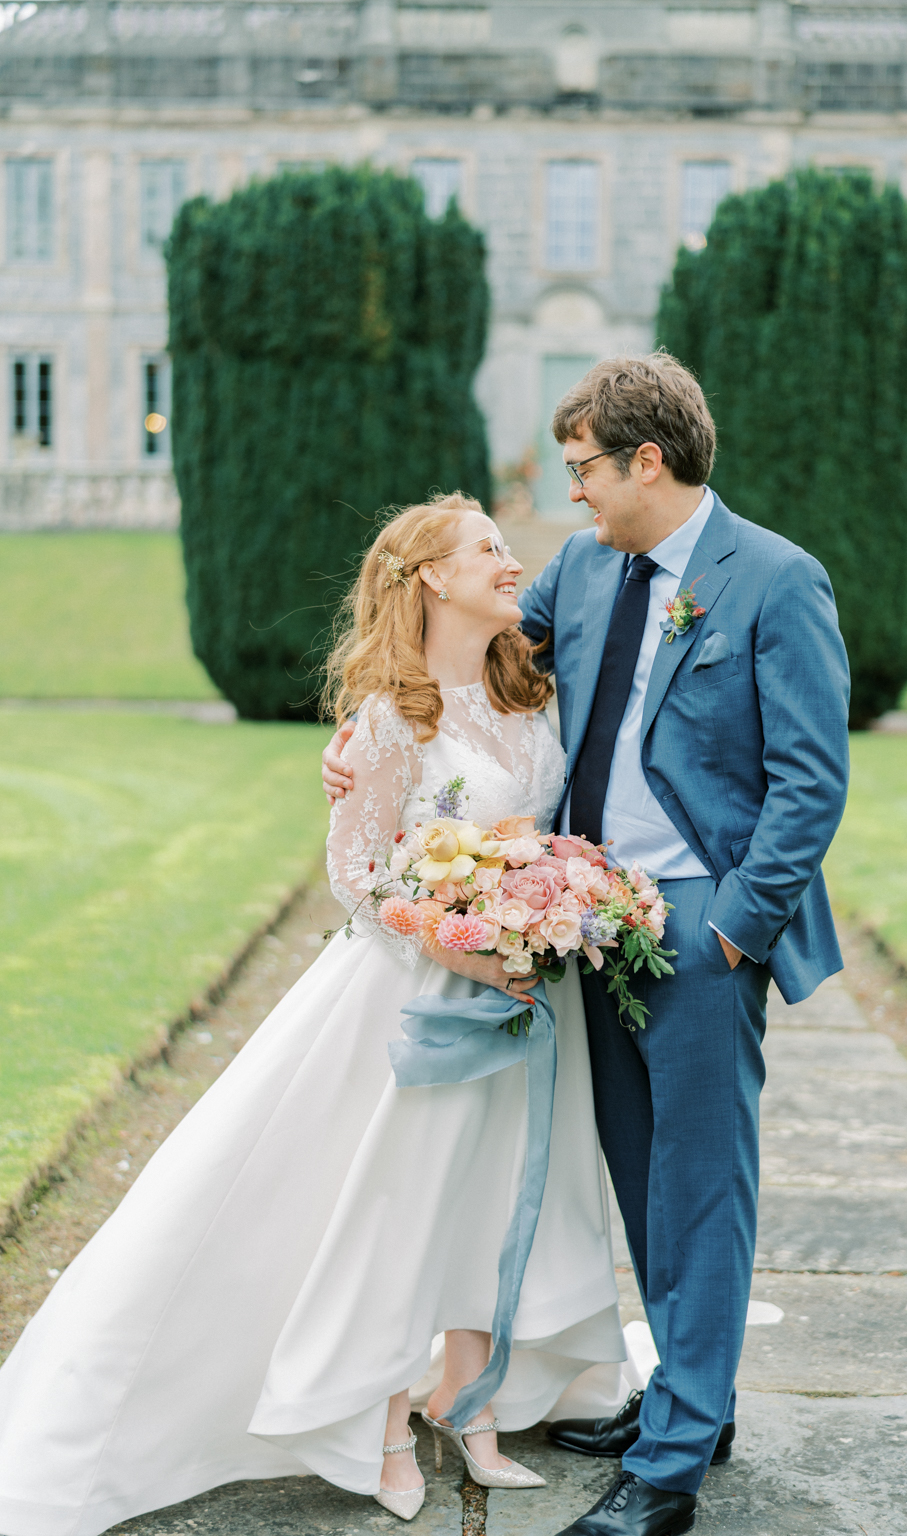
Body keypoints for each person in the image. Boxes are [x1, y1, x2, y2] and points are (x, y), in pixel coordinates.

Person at [0, 493, 635, 1536]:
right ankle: (381, 1427)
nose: (507, 560)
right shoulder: (385, 718)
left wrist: (550, 903)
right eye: (485, 548)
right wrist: (451, 940)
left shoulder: (532, 698)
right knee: (406, 1205)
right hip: (418, 990)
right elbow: (356, 873)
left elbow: (539, 827)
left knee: (505, 1193)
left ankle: (470, 1412)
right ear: (431, 575)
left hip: (529, 990)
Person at [323, 355, 851, 1535]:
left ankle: (667, 1471)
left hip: (702, 928)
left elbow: (810, 786)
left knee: (699, 1186)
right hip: (591, 924)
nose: (572, 497)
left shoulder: (774, 579)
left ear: (645, 462)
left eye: (583, 471)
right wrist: (373, 745)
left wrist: (733, 929)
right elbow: (480, 672)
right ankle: (689, 1399)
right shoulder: (583, 569)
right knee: (632, 1168)